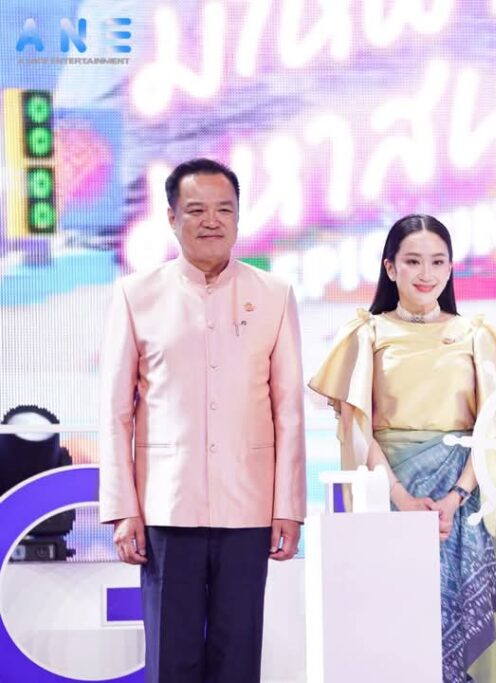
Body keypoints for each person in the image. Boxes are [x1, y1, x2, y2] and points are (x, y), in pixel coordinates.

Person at [98, 158, 307, 683]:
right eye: (196, 210)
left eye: (224, 210)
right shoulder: (136, 295)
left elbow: (289, 410)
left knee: (239, 658)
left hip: (249, 508)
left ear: (238, 216)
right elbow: (116, 413)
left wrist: (288, 507)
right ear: (171, 218)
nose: (211, 221)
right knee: (171, 658)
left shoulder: (274, 294)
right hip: (166, 507)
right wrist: (123, 509)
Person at [308, 214, 496, 683]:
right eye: (412, 261)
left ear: (451, 268)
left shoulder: (476, 335)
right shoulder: (366, 334)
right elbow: (358, 428)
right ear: (390, 268)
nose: (426, 274)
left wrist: (456, 497)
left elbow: (490, 428)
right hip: (387, 499)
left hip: (461, 508)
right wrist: (400, 497)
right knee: (393, 625)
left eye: (438, 262)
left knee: (467, 636)